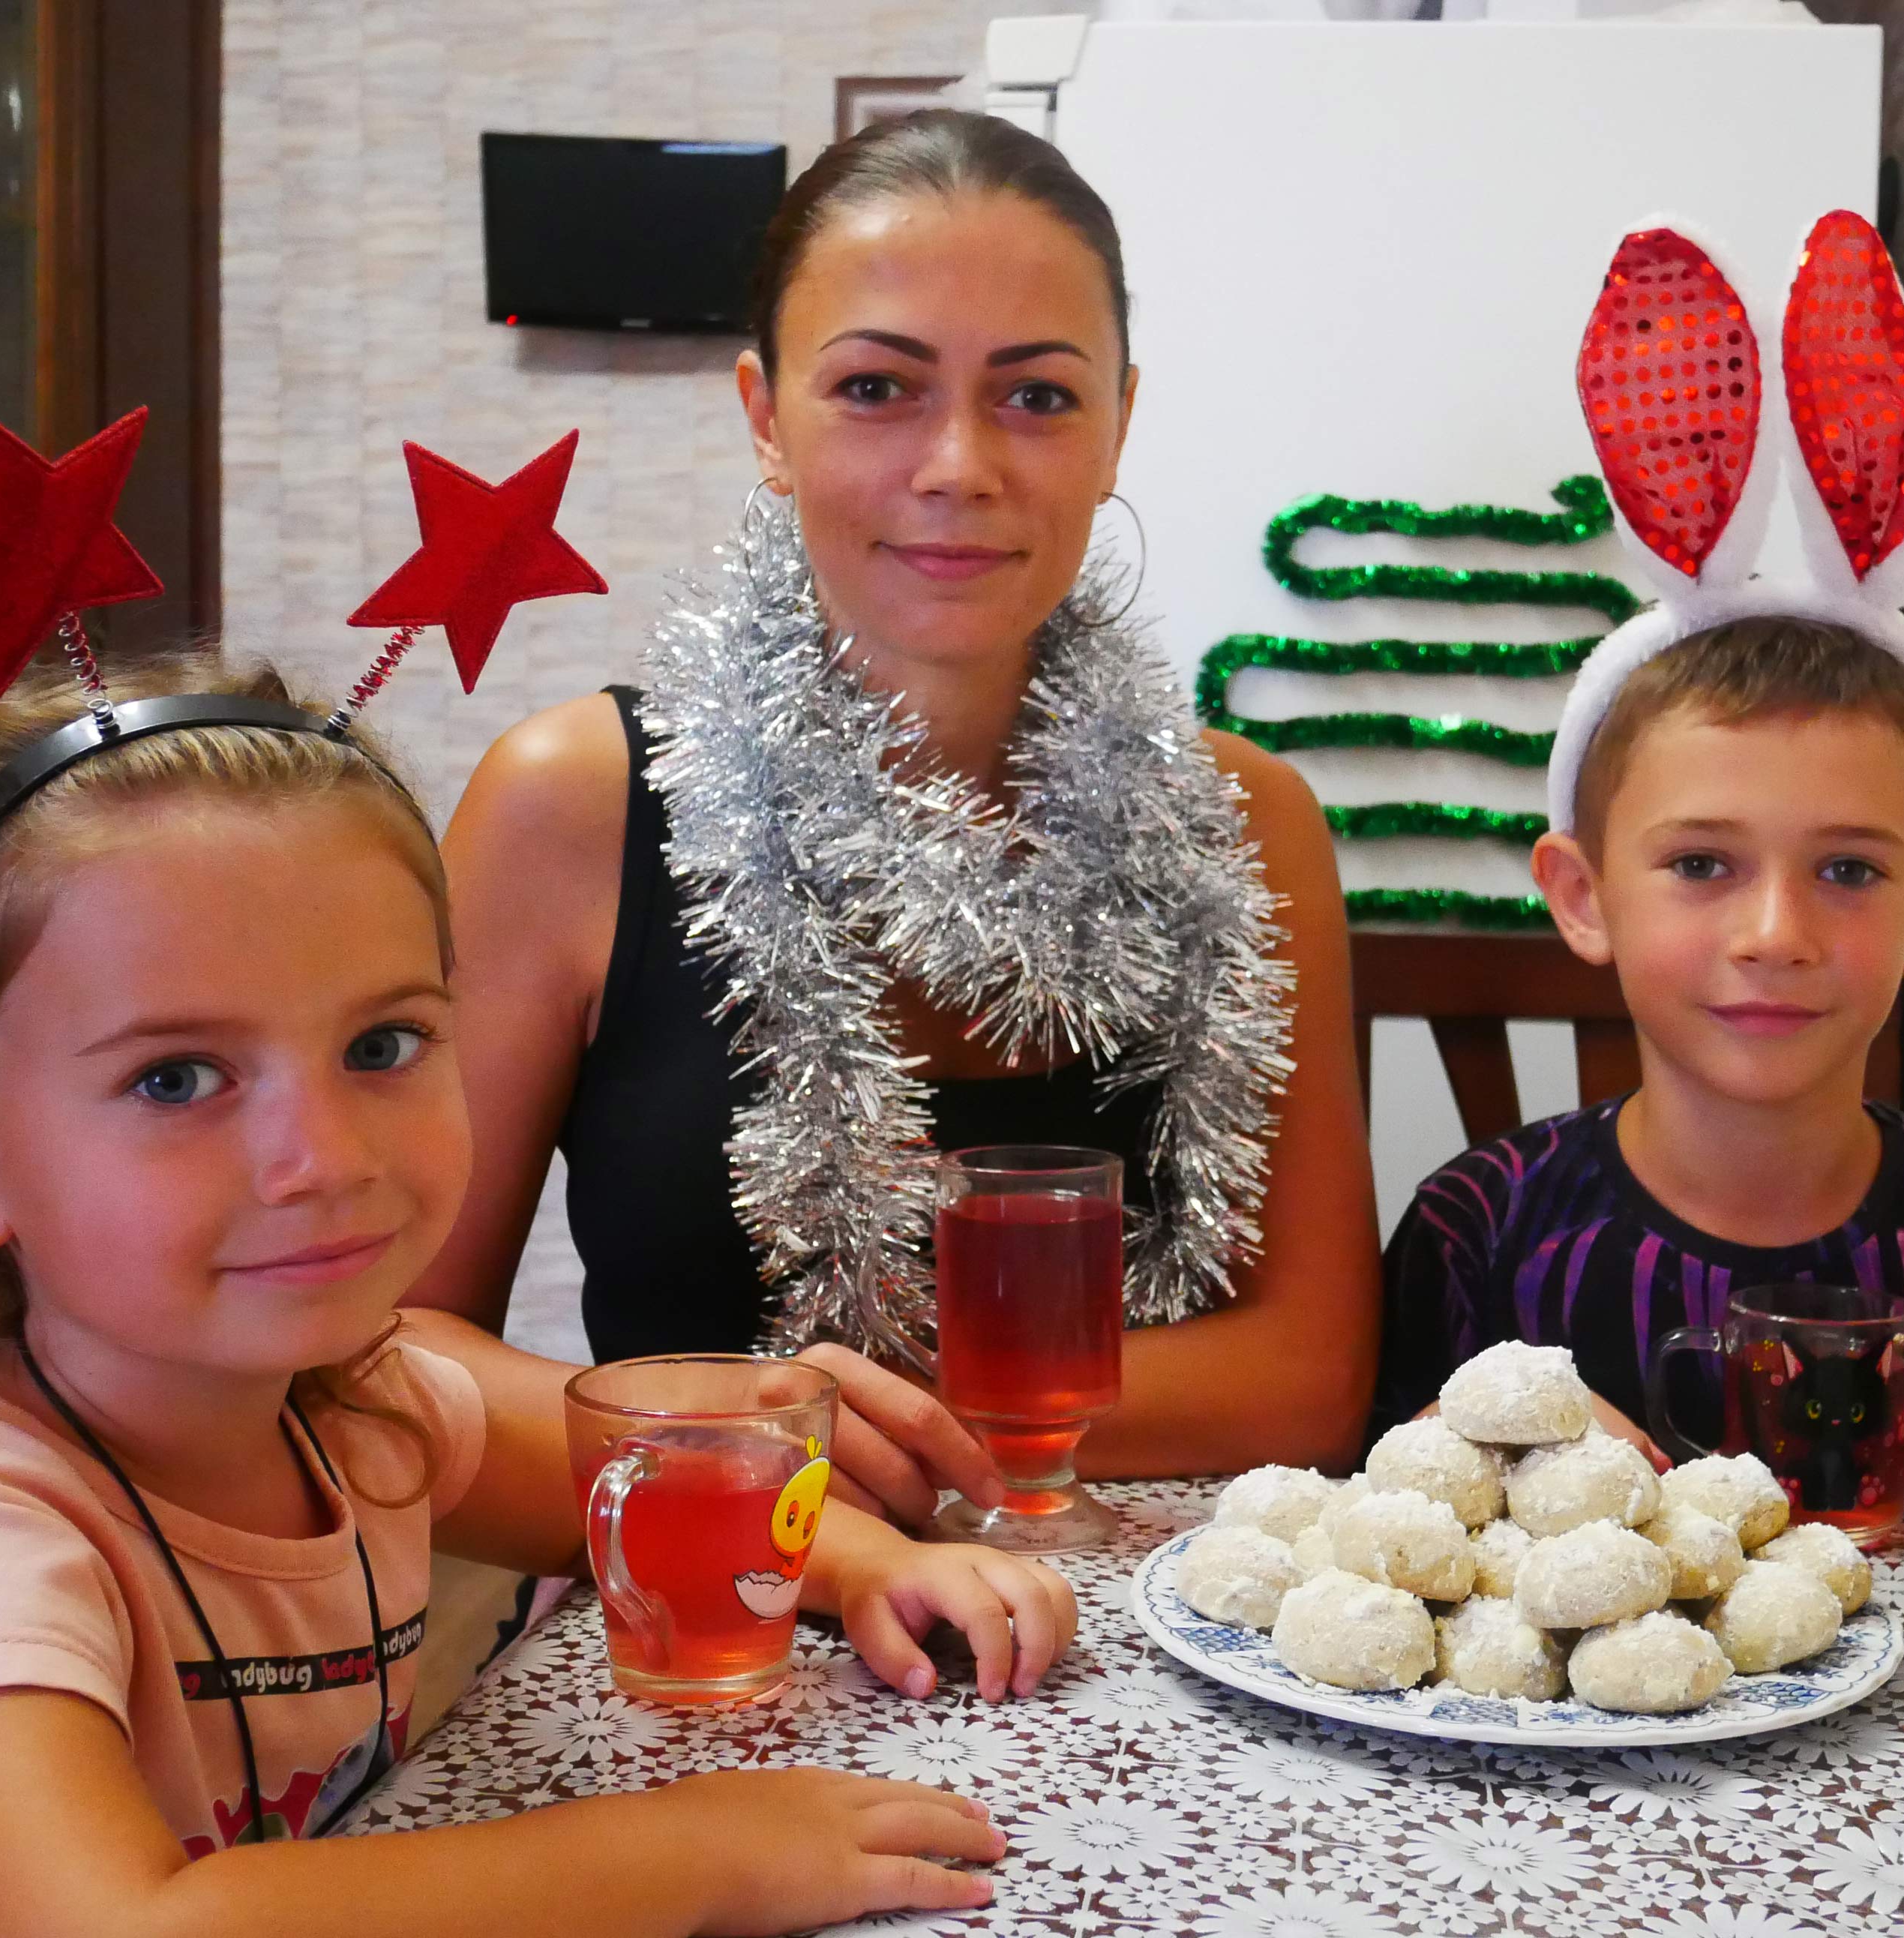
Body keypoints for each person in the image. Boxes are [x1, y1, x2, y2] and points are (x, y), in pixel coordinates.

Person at [0, 656, 1073, 1938]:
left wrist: (866, 1568)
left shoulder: (354, 1410)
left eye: (383, 1044)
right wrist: (684, 1859)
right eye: (176, 1079)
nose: (321, 1159)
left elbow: (634, 1483)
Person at [407, 110, 1380, 1523]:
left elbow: (1304, 1380)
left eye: (1038, 398)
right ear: (766, 419)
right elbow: (402, 1347)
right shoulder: (569, 804)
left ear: (1120, 427)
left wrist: (836, 1432)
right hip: (723, 1626)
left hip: (1169, 1636)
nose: (959, 467)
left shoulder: (1251, 819)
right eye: (877, 389)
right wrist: (768, 1454)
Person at [1373, 211, 1904, 1503]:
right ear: (1581, 897)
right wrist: (1455, 1441)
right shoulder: (1478, 1234)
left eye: (1850, 871)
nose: (1773, 933)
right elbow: (1377, 1527)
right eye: (1701, 864)